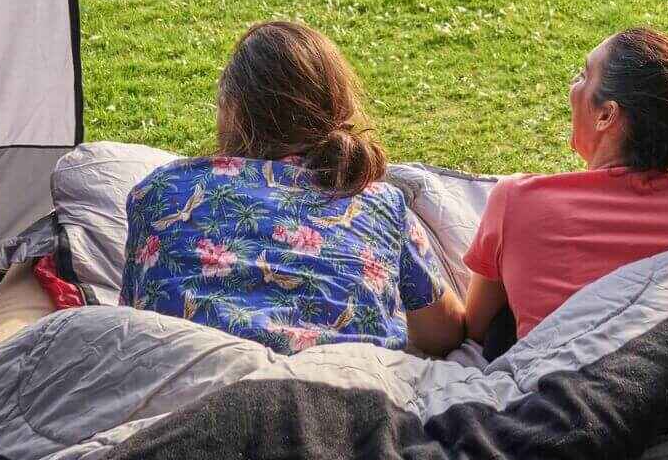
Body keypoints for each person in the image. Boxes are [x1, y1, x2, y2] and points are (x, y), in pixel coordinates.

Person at [121, 20, 465, 356]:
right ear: (339, 106)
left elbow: (134, 322)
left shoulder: (158, 191)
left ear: (233, 110)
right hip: (346, 398)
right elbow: (443, 333)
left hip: (191, 393)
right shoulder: (379, 202)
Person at [463, 26, 668, 343]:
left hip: (563, 388)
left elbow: (474, 327)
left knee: (500, 327)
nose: (572, 86)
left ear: (607, 115)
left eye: (583, 75)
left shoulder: (517, 202)